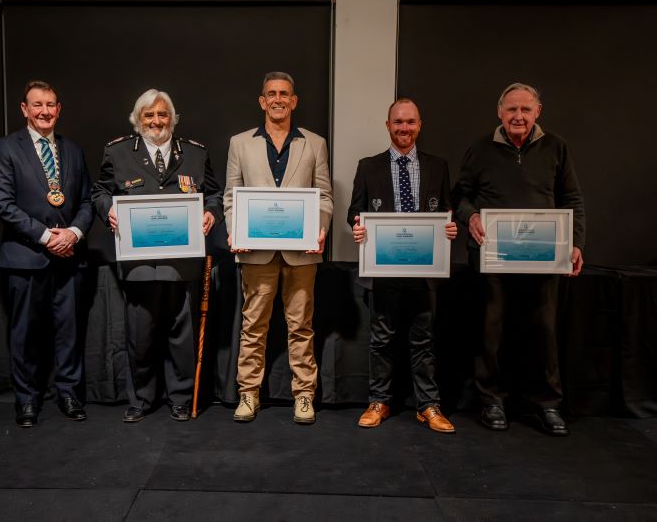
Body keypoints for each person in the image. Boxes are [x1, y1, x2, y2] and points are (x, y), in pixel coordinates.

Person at [451, 82, 586, 436]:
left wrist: (575, 243)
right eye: (511, 109)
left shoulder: (556, 147)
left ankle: (547, 404)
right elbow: (460, 197)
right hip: (492, 257)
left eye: (526, 109)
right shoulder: (479, 149)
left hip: (543, 257)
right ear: (500, 112)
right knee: (490, 332)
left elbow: (572, 198)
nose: (518, 116)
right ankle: (492, 400)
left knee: (543, 331)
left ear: (537, 112)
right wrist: (472, 218)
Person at [91, 89, 223, 423]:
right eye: (149, 115)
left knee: (182, 334)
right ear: (138, 120)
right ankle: (142, 399)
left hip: (184, 261)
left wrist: (211, 212)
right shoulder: (118, 152)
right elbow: (100, 191)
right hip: (139, 263)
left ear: (172, 118)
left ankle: (180, 397)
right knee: (141, 334)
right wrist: (108, 211)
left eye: (163, 114)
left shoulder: (195, 153)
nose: (156, 121)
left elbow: (214, 193)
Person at [224, 72, 333, 425]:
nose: (278, 99)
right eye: (271, 93)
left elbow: (325, 196)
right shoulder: (240, 143)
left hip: (302, 252)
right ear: (262, 101)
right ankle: (248, 394)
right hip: (255, 251)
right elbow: (230, 197)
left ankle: (304, 395)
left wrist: (320, 229)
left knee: (301, 325)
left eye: (284, 94)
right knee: (254, 325)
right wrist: (233, 230)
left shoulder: (314, 143)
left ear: (294, 100)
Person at [347, 98, 457, 433]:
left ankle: (428, 405)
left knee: (423, 339)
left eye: (410, 122)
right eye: (398, 122)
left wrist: (450, 229)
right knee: (381, 338)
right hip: (384, 270)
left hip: (424, 271)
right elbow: (354, 211)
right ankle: (379, 401)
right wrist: (356, 226)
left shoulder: (438, 166)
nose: (404, 128)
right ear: (388, 125)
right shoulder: (369, 167)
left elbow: (447, 213)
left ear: (419, 125)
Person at [0, 80, 93, 427]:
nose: (45, 111)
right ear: (24, 109)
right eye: (37, 105)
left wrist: (74, 233)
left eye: (50, 104)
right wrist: (48, 236)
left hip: (70, 257)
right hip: (25, 257)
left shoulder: (73, 151)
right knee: (25, 333)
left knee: (69, 331)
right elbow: (2, 204)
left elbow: (86, 201)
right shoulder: (6, 148)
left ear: (58, 109)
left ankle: (69, 394)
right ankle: (27, 401)